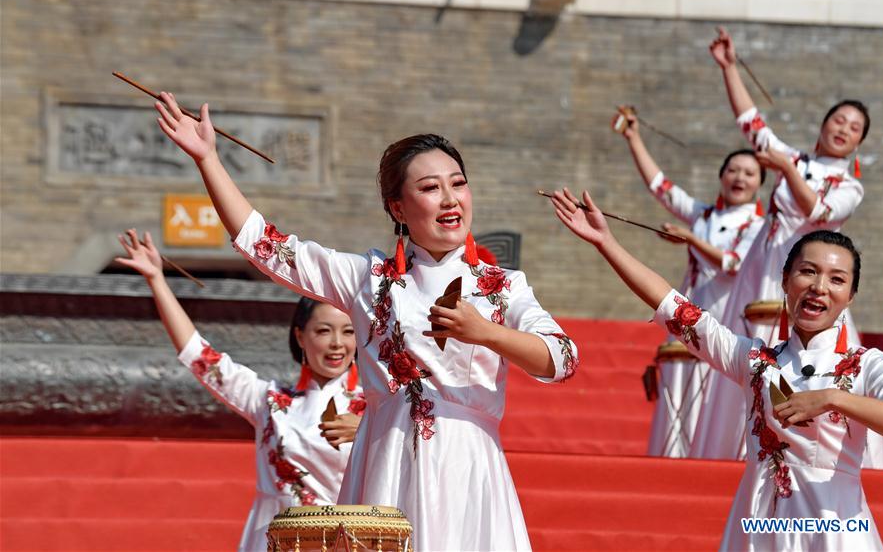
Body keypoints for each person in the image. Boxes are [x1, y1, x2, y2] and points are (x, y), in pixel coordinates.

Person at [152, 93, 579, 551]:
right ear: (398, 209)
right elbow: (266, 246)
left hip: (469, 466)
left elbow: (563, 357)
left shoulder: (502, 286)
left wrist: (486, 333)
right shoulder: (367, 277)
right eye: (431, 188)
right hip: (387, 460)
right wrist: (208, 159)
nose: (451, 199)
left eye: (458, 183)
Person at [549, 187, 883, 550]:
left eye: (837, 279)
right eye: (807, 272)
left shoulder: (864, 364)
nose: (819, 287)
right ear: (784, 281)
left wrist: (831, 398)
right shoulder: (756, 362)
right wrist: (606, 243)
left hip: (834, 528)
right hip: (760, 525)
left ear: (851, 296)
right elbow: (677, 310)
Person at [115, 229, 364, 552]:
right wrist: (157, 281)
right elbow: (200, 356)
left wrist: (372, 430)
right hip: (275, 540)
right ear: (301, 337)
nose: (336, 344)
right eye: (323, 331)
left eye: (348, 332)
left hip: (347, 542)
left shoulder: (377, 408)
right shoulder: (269, 401)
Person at [702, 26, 868, 460]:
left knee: (803, 350)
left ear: (857, 145)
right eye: (839, 120)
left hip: (806, 275)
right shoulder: (791, 158)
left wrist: (784, 168)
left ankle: (800, 439)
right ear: (824, 123)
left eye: (853, 128)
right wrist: (729, 67)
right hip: (764, 269)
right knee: (747, 351)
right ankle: (736, 447)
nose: (843, 129)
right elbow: (751, 123)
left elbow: (818, 212)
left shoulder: (848, 185)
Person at [619, 112, 765, 457]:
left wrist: (690, 240)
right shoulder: (703, 217)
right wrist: (633, 138)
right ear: (720, 176)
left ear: (760, 183)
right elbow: (662, 187)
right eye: (733, 170)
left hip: (727, 329)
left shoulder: (760, 226)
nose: (739, 178)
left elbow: (732, 264)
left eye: (749, 173)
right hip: (688, 320)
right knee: (679, 402)